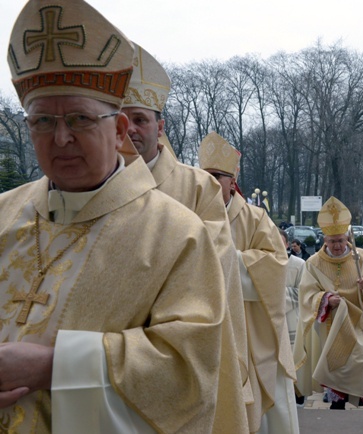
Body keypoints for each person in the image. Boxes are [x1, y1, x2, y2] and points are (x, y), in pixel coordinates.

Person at [1, 1, 230, 431]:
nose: (61, 137)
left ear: (120, 129)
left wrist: (57, 366)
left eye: (80, 119)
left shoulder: (176, 234)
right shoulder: (3, 213)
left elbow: (189, 368)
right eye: (43, 121)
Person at [121, 42, 248, 433]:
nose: (130, 130)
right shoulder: (96, 185)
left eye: (141, 120)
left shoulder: (199, 188)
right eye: (122, 120)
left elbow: (212, 263)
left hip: (182, 342)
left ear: (160, 127)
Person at [199, 132, 298, 433]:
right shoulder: (188, 217)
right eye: (205, 175)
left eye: (218, 176)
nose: (211, 182)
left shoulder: (255, 219)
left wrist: (224, 258)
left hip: (253, 332)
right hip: (205, 324)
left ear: (232, 181)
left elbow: (276, 266)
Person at [293, 197, 363, 410]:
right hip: (330, 325)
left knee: (361, 356)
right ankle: (337, 406)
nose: (337, 246)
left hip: (357, 321)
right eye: (332, 241)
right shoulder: (313, 263)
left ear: (348, 238)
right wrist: (325, 299)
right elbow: (306, 294)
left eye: (341, 241)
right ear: (324, 240)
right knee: (336, 363)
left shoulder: (360, 258)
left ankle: (360, 401)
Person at [280, 231, 305, 347]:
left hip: (292, 319)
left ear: (287, 244)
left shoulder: (299, 264)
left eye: (280, 242)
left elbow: (303, 292)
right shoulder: (262, 264)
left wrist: (274, 293)